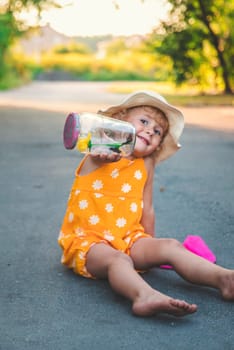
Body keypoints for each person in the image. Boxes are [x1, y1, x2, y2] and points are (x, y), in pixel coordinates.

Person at [58, 90, 234, 317]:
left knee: (170, 246)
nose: (150, 130)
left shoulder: (146, 165)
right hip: (89, 242)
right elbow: (97, 157)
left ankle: (224, 278)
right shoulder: (100, 153)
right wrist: (101, 152)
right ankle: (144, 296)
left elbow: (147, 207)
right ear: (120, 122)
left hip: (128, 238)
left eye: (157, 131)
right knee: (118, 260)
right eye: (144, 121)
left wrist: (150, 250)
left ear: (158, 144)